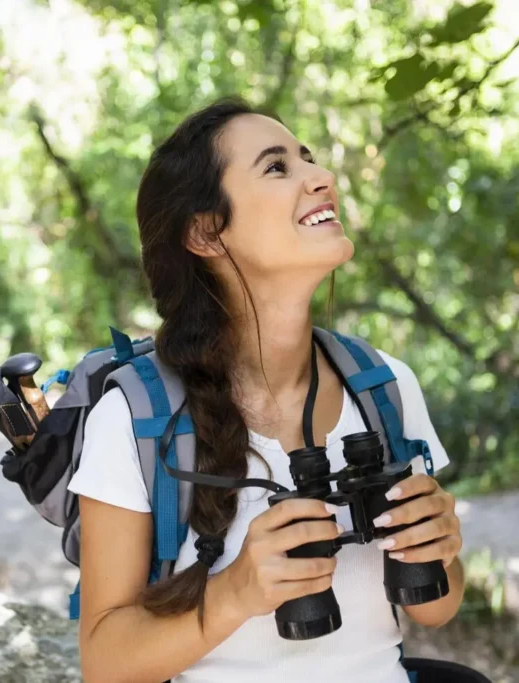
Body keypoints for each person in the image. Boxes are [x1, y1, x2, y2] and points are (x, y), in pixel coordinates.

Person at [67, 96, 466, 683]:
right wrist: (235, 593)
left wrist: (441, 545)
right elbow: (104, 663)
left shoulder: (384, 387)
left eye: (308, 159)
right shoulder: (137, 418)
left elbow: (437, 607)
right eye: (278, 167)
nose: (322, 177)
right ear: (207, 233)